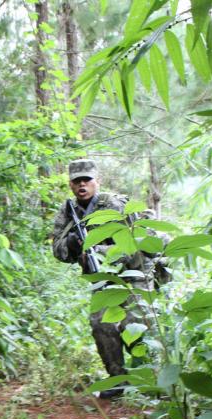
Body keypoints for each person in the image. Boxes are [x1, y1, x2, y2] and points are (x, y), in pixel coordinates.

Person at [51, 159, 160, 400]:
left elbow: (134, 244)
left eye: (87, 180)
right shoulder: (68, 211)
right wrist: (71, 243)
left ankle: (149, 379)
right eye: (77, 181)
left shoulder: (113, 205)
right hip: (103, 278)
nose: (82, 185)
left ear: (96, 181)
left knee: (137, 323)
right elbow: (57, 250)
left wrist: (100, 251)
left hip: (134, 272)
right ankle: (117, 379)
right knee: (100, 324)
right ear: (70, 184)